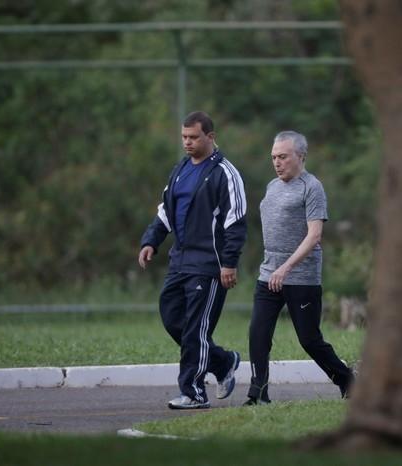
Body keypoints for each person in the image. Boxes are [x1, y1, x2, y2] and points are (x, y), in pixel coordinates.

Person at [138, 111, 246, 409]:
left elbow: (235, 223)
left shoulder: (225, 173)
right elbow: (165, 211)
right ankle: (223, 362)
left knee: (196, 329)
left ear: (210, 137)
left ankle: (194, 392)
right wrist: (151, 241)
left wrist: (229, 263)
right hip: (179, 262)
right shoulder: (181, 169)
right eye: (184, 137)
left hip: (209, 266)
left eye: (194, 137)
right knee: (172, 318)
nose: (187, 142)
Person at [244, 130, 354, 405]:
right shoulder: (272, 186)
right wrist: (275, 267)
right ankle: (258, 394)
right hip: (269, 273)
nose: (277, 162)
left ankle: (347, 380)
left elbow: (314, 235)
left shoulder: (312, 187)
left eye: (283, 156)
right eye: (273, 157)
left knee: (309, 339)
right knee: (258, 333)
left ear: (301, 156)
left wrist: (287, 267)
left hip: (301, 277)